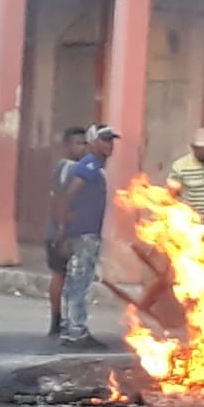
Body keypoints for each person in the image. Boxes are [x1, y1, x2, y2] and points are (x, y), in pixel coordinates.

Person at [55, 123, 120, 348]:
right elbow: (69, 193)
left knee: (74, 281)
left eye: (111, 140)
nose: (109, 144)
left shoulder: (94, 166)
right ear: (92, 142)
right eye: (104, 139)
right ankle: (77, 332)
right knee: (80, 282)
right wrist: (64, 225)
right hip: (84, 234)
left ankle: (68, 328)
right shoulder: (90, 165)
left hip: (83, 232)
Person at [45, 126, 88, 336]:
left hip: (63, 231)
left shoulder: (66, 167)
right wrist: (62, 230)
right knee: (64, 277)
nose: (82, 148)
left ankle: (60, 321)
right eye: (78, 143)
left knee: (64, 276)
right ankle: (60, 321)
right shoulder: (70, 168)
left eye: (85, 143)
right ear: (67, 146)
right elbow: (59, 199)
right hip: (63, 233)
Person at [165, 127, 204, 261]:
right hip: (188, 227)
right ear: (193, 148)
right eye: (199, 149)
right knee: (188, 264)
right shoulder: (180, 166)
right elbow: (171, 196)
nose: (203, 152)